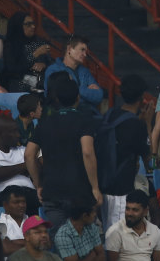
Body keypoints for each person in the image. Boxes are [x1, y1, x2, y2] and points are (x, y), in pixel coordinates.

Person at [25, 79, 102, 239]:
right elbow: (87, 152)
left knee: (59, 242)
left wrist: (38, 184)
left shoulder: (43, 123)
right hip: (80, 193)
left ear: (57, 99)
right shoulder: (84, 120)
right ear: (78, 98)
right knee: (84, 242)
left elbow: (29, 154)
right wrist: (95, 187)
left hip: (52, 192)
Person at [101, 74, 154, 231]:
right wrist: (148, 125)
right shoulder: (137, 125)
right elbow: (150, 163)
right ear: (141, 97)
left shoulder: (109, 115)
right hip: (121, 190)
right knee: (118, 239)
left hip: (103, 186)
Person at [0, 115, 39, 214]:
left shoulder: (22, 150)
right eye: (14, 131)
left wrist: (5, 171)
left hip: (29, 193)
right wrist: (26, 165)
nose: (18, 135)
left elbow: (40, 165)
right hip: (4, 195)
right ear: (1, 134)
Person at [43, 35, 102, 112]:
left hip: (87, 116)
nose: (85, 54)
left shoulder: (85, 71)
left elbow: (99, 96)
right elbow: (55, 97)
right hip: (64, 115)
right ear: (69, 49)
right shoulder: (53, 70)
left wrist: (74, 91)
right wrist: (86, 91)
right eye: (82, 50)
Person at [105, 190, 160, 261]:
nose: (129, 214)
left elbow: (158, 260)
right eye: (127, 209)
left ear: (145, 212)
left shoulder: (155, 231)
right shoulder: (114, 231)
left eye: (135, 210)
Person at [1, 12, 51, 92]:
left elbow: (50, 62)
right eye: (28, 24)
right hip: (18, 81)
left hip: (39, 78)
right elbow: (13, 69)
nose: (33, 27)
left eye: (33, 23)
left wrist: (44, 65)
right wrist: (35, 54)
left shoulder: (38, 41)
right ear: (18, 26)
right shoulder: (11, 45)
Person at [0, 186, 27, 256]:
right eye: (16, 202)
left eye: (23, 202)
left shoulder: (33, 221)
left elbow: (44, 245)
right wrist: (31, 244)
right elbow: (6, 249)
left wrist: (12, 242)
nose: (21, 205)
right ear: (5, 205)